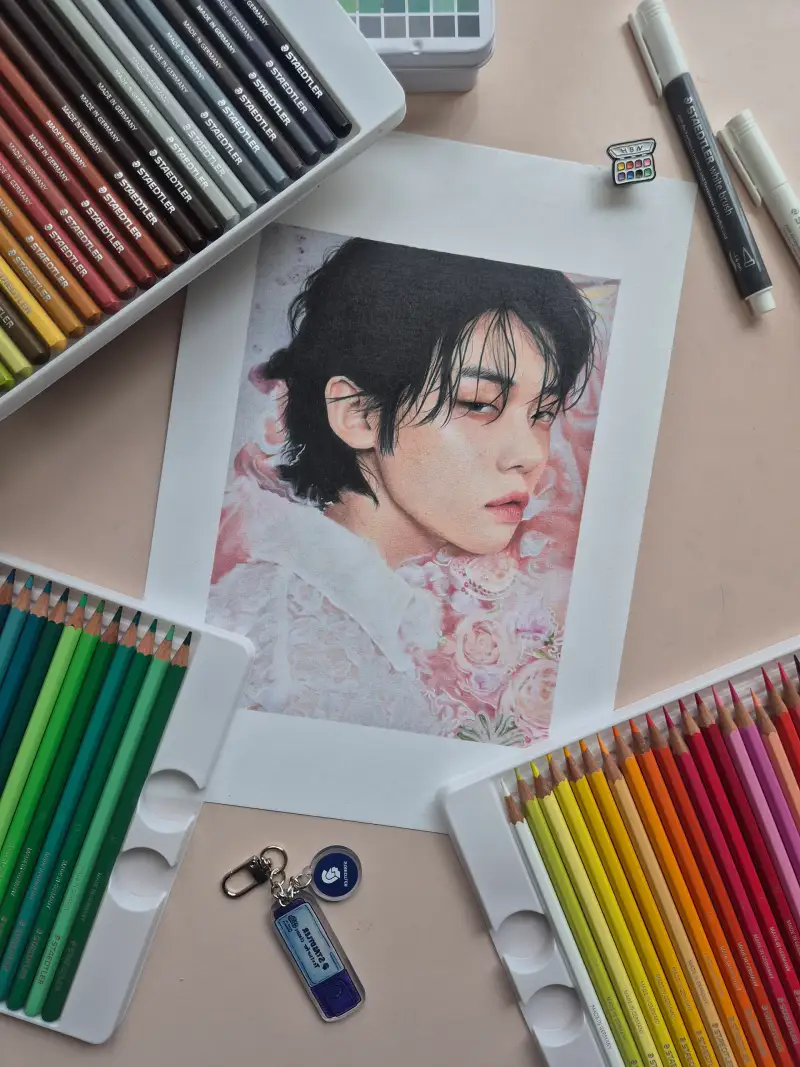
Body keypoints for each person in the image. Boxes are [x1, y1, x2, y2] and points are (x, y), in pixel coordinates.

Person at [209, 237, 597, 736]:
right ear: (357, 414)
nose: (530, 455)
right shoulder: (285, 635)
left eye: (542, 413)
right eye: (479, 404)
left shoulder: (384, 609)